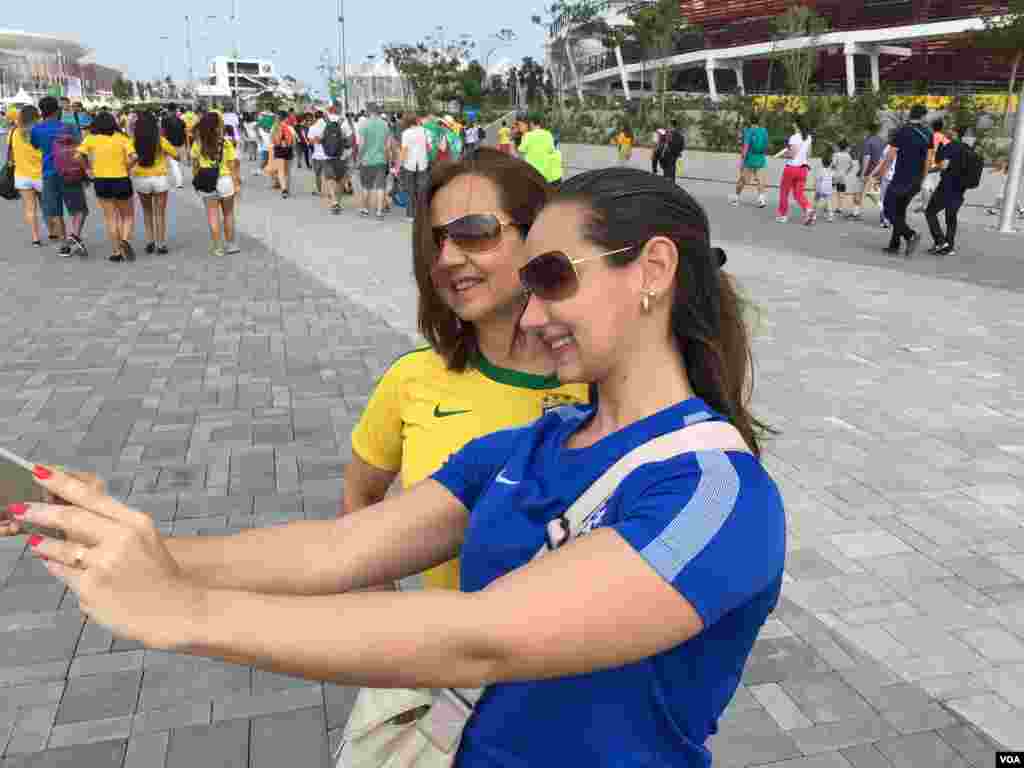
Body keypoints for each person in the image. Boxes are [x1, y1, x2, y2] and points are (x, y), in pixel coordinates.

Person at [6, 166, 784, 768]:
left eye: (552, 279)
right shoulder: (532, 445)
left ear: (652, 269)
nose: (534, 313)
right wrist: (124, 544)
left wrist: (179, 612)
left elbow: (484, 638)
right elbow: (341, 548)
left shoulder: (714, 495)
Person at [343, 147, 590, 592]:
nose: (448, 259)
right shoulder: (412, 379)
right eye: (437, 241)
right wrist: (387, 612)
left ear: (539, 236)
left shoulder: (603, 381)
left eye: (474, 232)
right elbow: (360, 495)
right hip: (448, 655)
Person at [31, 96, 89, 258]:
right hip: (70, 172)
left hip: (49, 173)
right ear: (57, 110)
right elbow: (80, 148)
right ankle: (75, 235)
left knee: (55, 211)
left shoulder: (37, 129)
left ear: (42, 112)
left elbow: (35, 146)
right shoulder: (69, 127)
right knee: (79, 209)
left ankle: (64, 244)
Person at [77, 111, 137, 263]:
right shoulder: (123, 138)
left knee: (111, 218)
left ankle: (116, 252)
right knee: (127, 216)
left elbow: (78, 156)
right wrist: (128, 167)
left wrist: (88, 169)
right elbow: (134, 157)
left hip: (101, 181)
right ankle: (124, 240)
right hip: (121, 179)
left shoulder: (90, 139)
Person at [878, 104, 932, 258]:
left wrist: (882, 173)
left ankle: (910, 235)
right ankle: (894, 245)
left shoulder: (902, 131)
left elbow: (890, 156)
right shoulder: (928, 133)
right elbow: (929, 159)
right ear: (922, 116)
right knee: (900, 211)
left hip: (901, 178)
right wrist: (923, 178)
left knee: (888, 209)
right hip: (916, 180)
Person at [191, 111, 240, 257]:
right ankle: (231, 244)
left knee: (212, 215)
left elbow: (195, 165)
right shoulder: (225, 143)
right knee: (229, 214)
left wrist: (196, 180)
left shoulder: (198, 144)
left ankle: (218, 247)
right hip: (225, 180)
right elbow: (232, 166)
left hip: (207, 181)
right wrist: (237, 183)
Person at [132, 111, 177, 255]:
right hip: (160, 179)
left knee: (147, 212)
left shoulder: (133, 141)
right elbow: (176, 154)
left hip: (141, 178)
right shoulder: (160, 140)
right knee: (160, 213)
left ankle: (150, 241)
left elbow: (129, 157)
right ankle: (161, 244)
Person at [924, 125, 970, 257]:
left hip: (947, 186)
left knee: (930, 212)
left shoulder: (949, 147)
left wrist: (928, 171)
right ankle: (949, 246)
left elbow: (943, 165)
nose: (947, 132)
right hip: (960, 188)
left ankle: (940, 241)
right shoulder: (967, 148)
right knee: (951, 217)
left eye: (950, 130)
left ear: (955, 133)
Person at [307, 106, 352, 215]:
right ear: (337, 111)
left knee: (330, 179)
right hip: (342, 156)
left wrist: (322, 142)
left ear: (327, 112)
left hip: (326, 156)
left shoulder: (319, 123)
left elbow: (312, 139)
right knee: (341, 180)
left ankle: (334, 202)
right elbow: (350, 140)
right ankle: (339, 201)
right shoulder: (343, 122)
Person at [11, 104, 45, 247]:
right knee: (47, 207)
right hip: (41, 175)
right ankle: (53, 232)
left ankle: (35, 238)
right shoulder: (40, 132)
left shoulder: (13, 132)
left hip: (22, 176)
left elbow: (12, 153)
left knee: (30, 209)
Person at [773, 116, 813, 224]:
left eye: (793, 123)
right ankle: (808, 209)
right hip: (803, 169)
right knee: (799, 193)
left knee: (784, 192)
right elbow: (809, 154)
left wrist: (781, 155)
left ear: (796, 125)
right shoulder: (808, 137)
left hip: (791, 168)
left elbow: (792, 154)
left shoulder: (794, 137)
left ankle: (783, 215)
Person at [357, 104, 390, 218]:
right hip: (381, 160)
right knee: (380, 187)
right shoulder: (385, 124)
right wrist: (387, 159)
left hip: (366, 161)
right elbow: (387, 145)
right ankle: (379, 211)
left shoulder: (364, 124)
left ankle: (365, 209)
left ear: (368, 111)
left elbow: (361, 145)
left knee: (366, 186)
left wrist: (359, 158)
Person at [730, 114, 768, 208]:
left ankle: (736, 198)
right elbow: (766, 145)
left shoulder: (748, 131)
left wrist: (742, 159)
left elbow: (746, 146)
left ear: (750, 121)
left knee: (743, 179)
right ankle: (761, 200)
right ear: (758, 121)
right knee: (760, 180)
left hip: (750, 159)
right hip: (760, 159)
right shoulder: (764, 131)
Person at [850, 122, 886, 220]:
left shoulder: (868, 141)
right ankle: (883, 210)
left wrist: (863, 173)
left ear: (868, 130)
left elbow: (867, 157)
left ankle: (856, 213)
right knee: (871, 193)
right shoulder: (882, 142)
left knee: (857, 192)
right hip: (877, 173)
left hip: (867, 172)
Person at [914, 117, 950, 213]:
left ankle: (926, 206)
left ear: (932, 127)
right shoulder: (945, 138)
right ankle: (926, 205)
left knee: (925, 185)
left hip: (931, 164)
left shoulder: (929, 137)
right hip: (941, 165)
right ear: (942, 127)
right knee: (932, 185)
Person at [400, 113, 429, 223]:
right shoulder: (424, 131)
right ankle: (423, 214)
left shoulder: (406, 133)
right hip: (422, 163)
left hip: (409, 164)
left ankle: (410, 215)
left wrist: (399, 165)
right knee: (421, 190)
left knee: (410, 190)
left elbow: (404, 151)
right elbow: (428, 145)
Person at [518, 115, 556, 181]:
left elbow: (521, 150)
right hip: (545, 171)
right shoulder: (548, 134)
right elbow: (551, 150)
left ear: (532, 123)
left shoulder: (528, 135)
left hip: (531, 171)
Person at [268, 111, 295, 198]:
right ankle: (287, 189)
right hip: (288, 150)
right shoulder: (290, 127)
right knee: (288, 171)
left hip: (278, 150)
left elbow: (271, 140)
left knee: (281, 171)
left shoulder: (274, 127)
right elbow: (294, 141)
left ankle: (283, 189)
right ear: (286, 118)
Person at [161, 104, 187, 190]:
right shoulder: (181, 121)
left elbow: (163, 133)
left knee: (174, 164)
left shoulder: (165, 120)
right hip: (180, 145)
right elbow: (185, 133)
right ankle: (179, 180)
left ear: (168, 110)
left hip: (170, 145)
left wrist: (163, 146)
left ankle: (179, 182)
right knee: (178, 164)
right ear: (175, 110)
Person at [807, 144, 835, 225]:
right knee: (828, 201)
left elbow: (817, 178)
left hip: (820, 188)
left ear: (822, 162)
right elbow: (833, 178)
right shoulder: (831, 171)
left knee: (816, 201)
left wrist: (814, 185)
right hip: (828, 188)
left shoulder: (820, 170)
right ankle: (830, 215)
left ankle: (814, 215)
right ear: (830, 163)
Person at [830, 138, 855, 218]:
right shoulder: (848, 155)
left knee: (832, 191)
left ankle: (830, 206)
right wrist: (846, 172)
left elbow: (833, 165)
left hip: (836, 175)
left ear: (839, 147)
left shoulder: (836, 155)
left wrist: (831, 170)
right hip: (843, 176)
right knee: (841, 192)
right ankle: (840, 207)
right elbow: (851, 166)